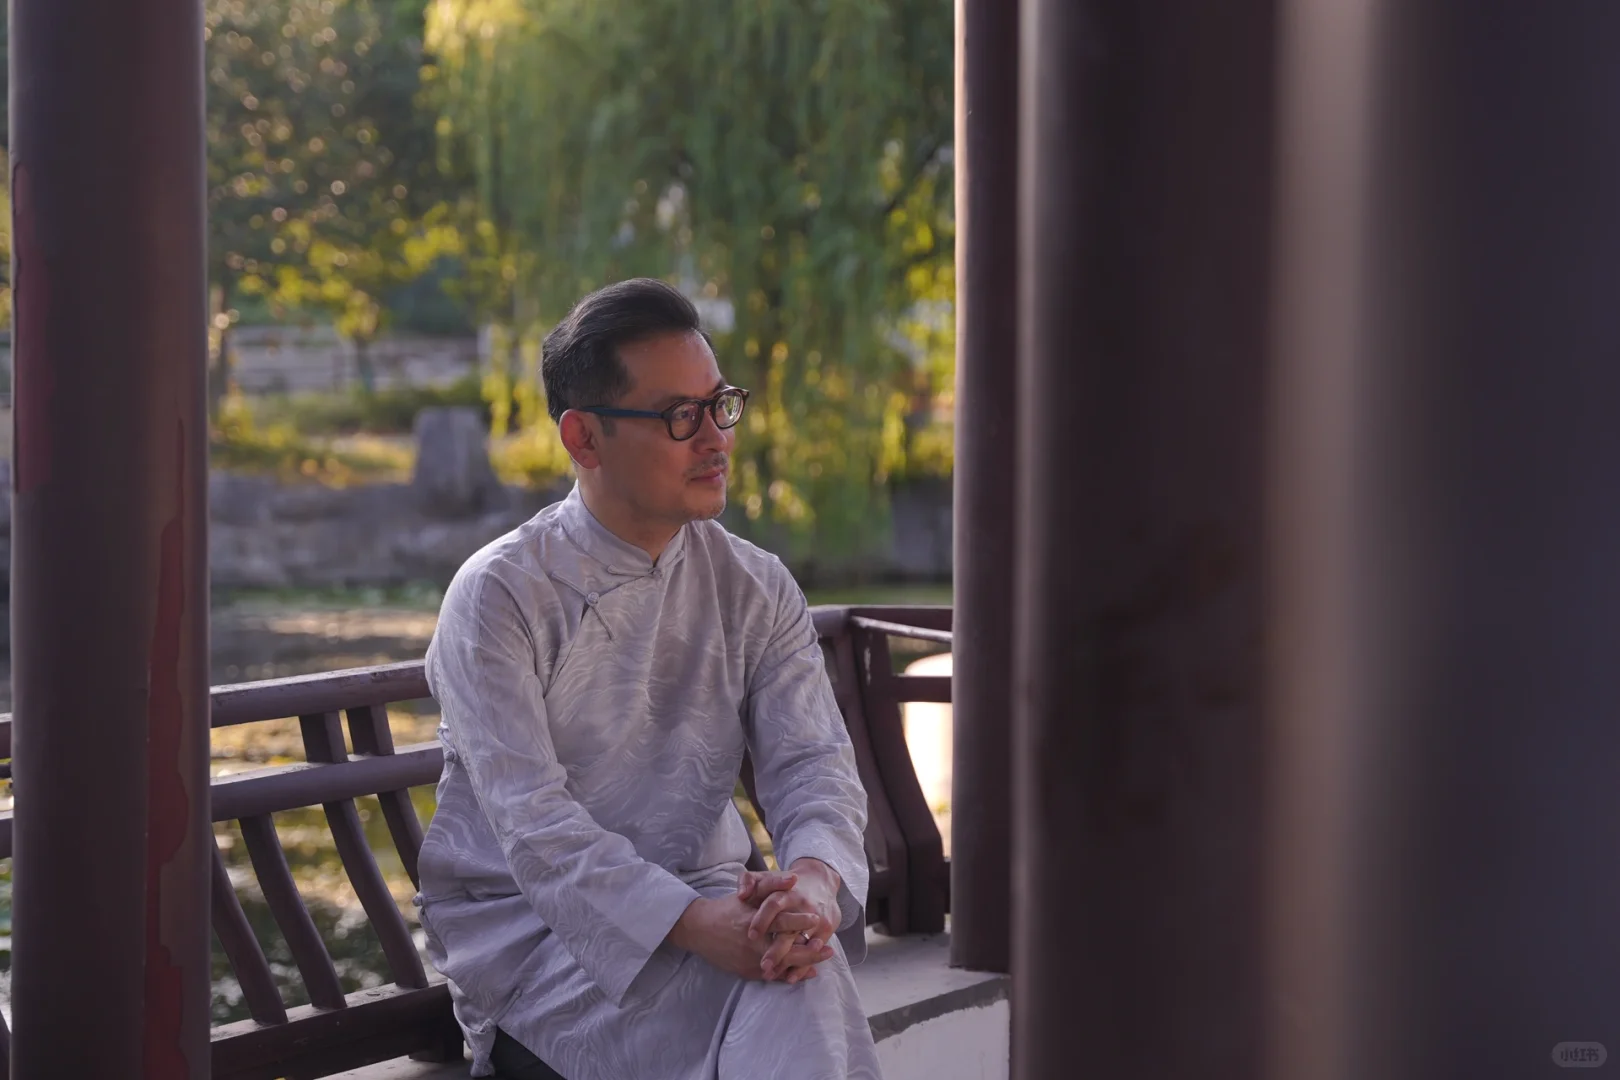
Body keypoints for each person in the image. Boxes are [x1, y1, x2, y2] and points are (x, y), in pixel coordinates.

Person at [415, 277, 881, 1080]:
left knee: (798, 967)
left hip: (716, 904)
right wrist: (692, 923)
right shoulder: (499, 595)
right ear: (584, 437)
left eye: (720, 406)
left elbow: (812, 765)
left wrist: (811, 885)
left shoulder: (755, 585)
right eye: (679, 416)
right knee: (796, 983)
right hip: (542, 943)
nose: (716, 440)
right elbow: (533, 823)